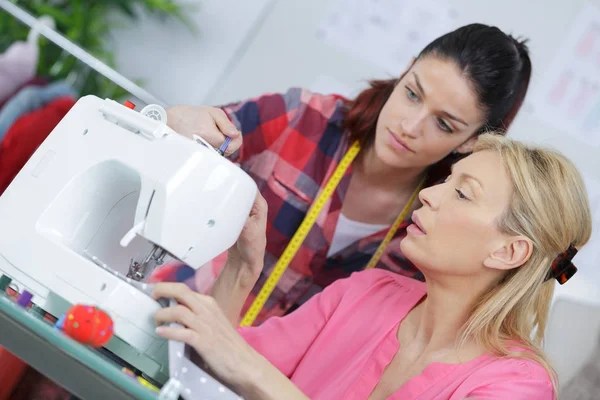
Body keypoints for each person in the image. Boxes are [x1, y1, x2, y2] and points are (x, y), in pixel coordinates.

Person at [152, 134, 592, 399]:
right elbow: (214, 366)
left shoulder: (516, 386)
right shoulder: (365, 293)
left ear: (508, 252)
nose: (429, 195)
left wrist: (248, 371)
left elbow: (246, 370)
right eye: (446, 181)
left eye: (462, 194)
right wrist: (241, 270)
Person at [158, 23, 533, 325]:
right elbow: (194, 148)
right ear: (405, 70)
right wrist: (179, 125)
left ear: (471, 142)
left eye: (444, 125)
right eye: (413, 94)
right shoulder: (303, 118)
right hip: (175, 313)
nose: (410, 125)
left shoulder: (440, 224)